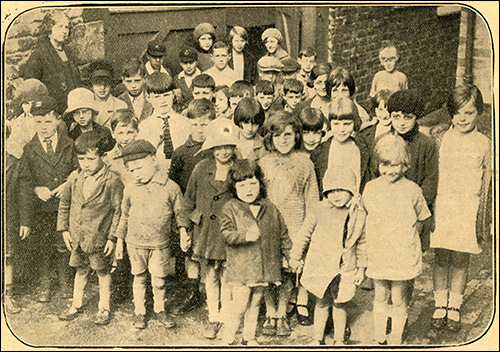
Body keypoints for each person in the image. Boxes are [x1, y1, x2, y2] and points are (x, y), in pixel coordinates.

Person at [430, 84, 491, 332]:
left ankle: (454, 304)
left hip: (468, 206)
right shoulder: (440, 137)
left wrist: (483, 217)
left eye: (469, 113)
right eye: (457, 113)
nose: (462, 118)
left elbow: (487, 181)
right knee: (441, 256)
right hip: (443, 203)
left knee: (460, 257)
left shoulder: (484, 143)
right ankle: (439, 304)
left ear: (478, 113)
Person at [361, 133, 431, 345]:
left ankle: (396, 337)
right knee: (380, 296)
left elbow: (421, 219)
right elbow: (364, 217)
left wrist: (408, 241)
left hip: (401, 254)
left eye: (396, 165)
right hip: (379, 253)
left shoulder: (412, 190)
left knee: (399, 298)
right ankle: (380, 335)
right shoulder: (371, 188)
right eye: (385, 164)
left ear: (405, 165)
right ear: (378, 164)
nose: (390, 170)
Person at [259, 111, 319, 336]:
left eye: (288, 134)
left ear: (296, 136)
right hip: (268, 225)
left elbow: (312, 201)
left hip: (294, 226)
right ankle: (269, 312)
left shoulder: (305, 163)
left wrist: (306, 231)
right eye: (277, 136)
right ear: (270, 138)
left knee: (286, 273)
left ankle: (282, 311)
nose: (283, 140)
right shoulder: (264, 163)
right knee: (267, 272)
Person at [290, 168, 366, 345]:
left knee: (340, 304)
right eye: (331, 191)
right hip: (321, 266)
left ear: (351, 191)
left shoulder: (358, 213)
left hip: (344, 267)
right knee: (321, 303)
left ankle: (339, 339)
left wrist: (361, 268)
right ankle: (318, 338)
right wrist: (295, 256)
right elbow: (304, 234)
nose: (336, 195)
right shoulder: (319, 209)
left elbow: (362, 243)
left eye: (341, 190)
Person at [220, 160, 292, 345]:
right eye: (242, 185)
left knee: (255, 303)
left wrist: (290, 256)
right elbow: (225, 233)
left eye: (253, 183)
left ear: (260, 183)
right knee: (240, 304)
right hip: (242, 268)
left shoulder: (270, 207)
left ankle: (248, 337)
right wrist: (244, 236)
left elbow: (283, 233)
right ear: (234, 188)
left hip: (264, 267)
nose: (248, 189)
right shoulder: (230, 207)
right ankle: (228, 337)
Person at [178, 119, 238, 339]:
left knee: (228, 276)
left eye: (228, 146)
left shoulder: (241, 168)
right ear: (212, 147)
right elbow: (188, 201)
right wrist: (184, 229)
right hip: (206, 233)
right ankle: (214, 316)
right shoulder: (202, 167)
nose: (223, 151)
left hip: (230, 234)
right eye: (219, 147)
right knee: (210, 276)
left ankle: (228, 317)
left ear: (234, 147)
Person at [115, 139, 183, 330]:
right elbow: (124, 216)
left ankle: (160, 309)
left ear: (153, 160)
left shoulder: (170, 187)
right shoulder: (130, 188)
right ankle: (139, 311)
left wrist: (184, 233)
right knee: (139, 277)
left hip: (159, 243)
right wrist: (119, 241)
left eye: (139, 168)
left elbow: (180, 214)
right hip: (135, 243)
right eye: (131, 170)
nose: (136, 174)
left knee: (159, 279)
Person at [57, 131, 124, 326]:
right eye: (81, 159)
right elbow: (65, 204)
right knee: (81, 270)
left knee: (102, 272)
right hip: (78, 237)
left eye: (91, 159)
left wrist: (112, 238)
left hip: (99, 239)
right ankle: (76, 304)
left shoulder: (112, 181)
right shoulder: (74, 178)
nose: (85, 164)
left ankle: (104, 307)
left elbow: (118, 211)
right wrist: (64, 230)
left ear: (103, 157)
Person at [18, 95, 78, 302]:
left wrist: (67, 184)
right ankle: (45, 282)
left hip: (64, 206)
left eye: (48, 121)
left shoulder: (69, 145)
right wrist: (36, 189)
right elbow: (25, 180)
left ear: (58, 120)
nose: (43, 127)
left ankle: (64, 281)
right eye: (38, 122)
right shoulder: (30, 149)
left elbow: (78, 170)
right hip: (41, 208)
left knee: (63, 243)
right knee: (43, 245)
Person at [168, 98, 217, 316]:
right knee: (191, 255)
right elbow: (175, 185)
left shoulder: (217, 150)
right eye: (195, 124)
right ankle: (193, 293)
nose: (199, 129)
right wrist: (182, 219)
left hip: (214, 212)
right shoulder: (181, 152)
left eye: (204, 124)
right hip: (191, 212)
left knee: (215, 255)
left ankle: (216, 296)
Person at [20, 11, 81, 117]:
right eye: (60, 27)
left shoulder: (69, 53)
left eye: (66, 27)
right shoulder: (39, 55)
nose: (64, 31)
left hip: (73, 110)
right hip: (52, 113)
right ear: (49, 29)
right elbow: (31, 86)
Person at [310, 96, 368, 196]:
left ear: (354, 123)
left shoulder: (363, 149)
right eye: (336, 124)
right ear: (330, 123)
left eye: (347, 124)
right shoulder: (320, 152)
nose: (341, 129)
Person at [5, 122, 33, 314]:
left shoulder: (15, 161)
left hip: (7, 218)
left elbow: (24, 192)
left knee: (8, 256)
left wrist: (25, 221)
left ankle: (8, 295)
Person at [137, 72, 190, 165]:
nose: (163, 101)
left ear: (173, 94)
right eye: (157, 97)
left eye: (166, 95)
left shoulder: (185, 123)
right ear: (148, 97)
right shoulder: (144, 127)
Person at [7, 79, 67, 159]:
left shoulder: (54, 121)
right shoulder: (17, 124)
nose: (30, 107)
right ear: (21, 104)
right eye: (26, 103)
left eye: (34, 103)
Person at [64, 87, 115, 152]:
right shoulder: (71, 136)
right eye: (77, 113)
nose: (81, 116)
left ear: (92, 111)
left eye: (85, 112)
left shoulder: (104, 133)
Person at [87, 60, 128, 130]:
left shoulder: (120, 106)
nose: (102, 87)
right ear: (92, 84)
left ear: (111, 84)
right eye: (98, 83)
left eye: (106, 83)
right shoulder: (86, 104)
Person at [233, 97, 267, 162]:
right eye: (246, 123)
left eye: (255, 124)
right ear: (239, 120)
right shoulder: (229, 141)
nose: (250, 128)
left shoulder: (264, 146)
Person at [174, 47, 202, 111]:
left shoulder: (203, 77)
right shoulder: (176, 79)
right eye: (185, 63)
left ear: (197, 62)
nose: (188, 66)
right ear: (180, 63)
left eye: (191, 62)